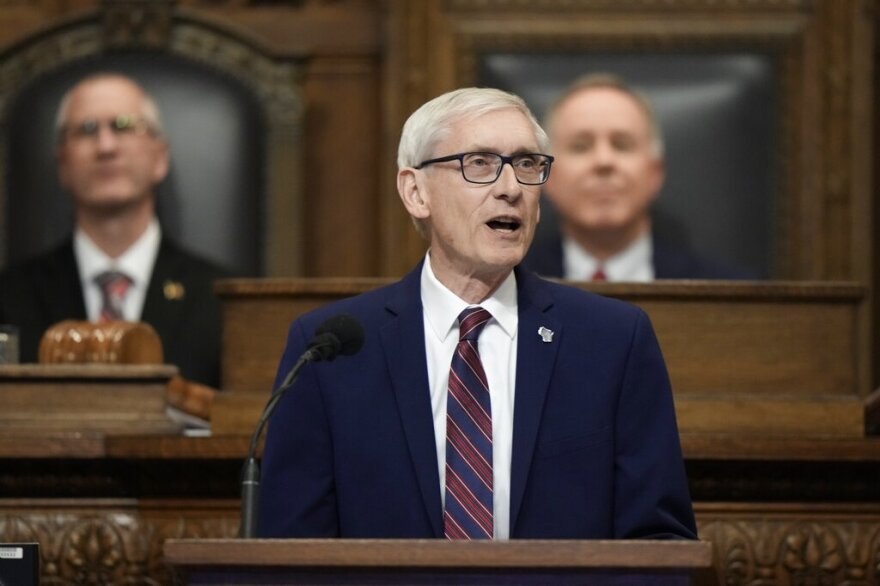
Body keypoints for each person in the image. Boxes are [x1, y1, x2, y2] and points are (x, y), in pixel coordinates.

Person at [257, 87, 697, 540]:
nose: (510, 189)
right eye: (480, 164)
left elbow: (659, 543)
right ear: (415, 191)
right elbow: (289, 549)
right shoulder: (331, 352)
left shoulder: (611, 341)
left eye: (527, 165)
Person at [0, 73, 229, 387]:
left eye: (123, 125)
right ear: (62, 163)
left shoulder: (222, 300)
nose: (105, 146)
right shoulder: (10, 298)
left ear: (160, 156)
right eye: (87, 130)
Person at [523, 73, 751, 281]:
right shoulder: (507, 286)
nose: (603, 161)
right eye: (581, 147)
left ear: (655, 173)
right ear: (547, 173)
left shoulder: (728, 292)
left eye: (622, 145)